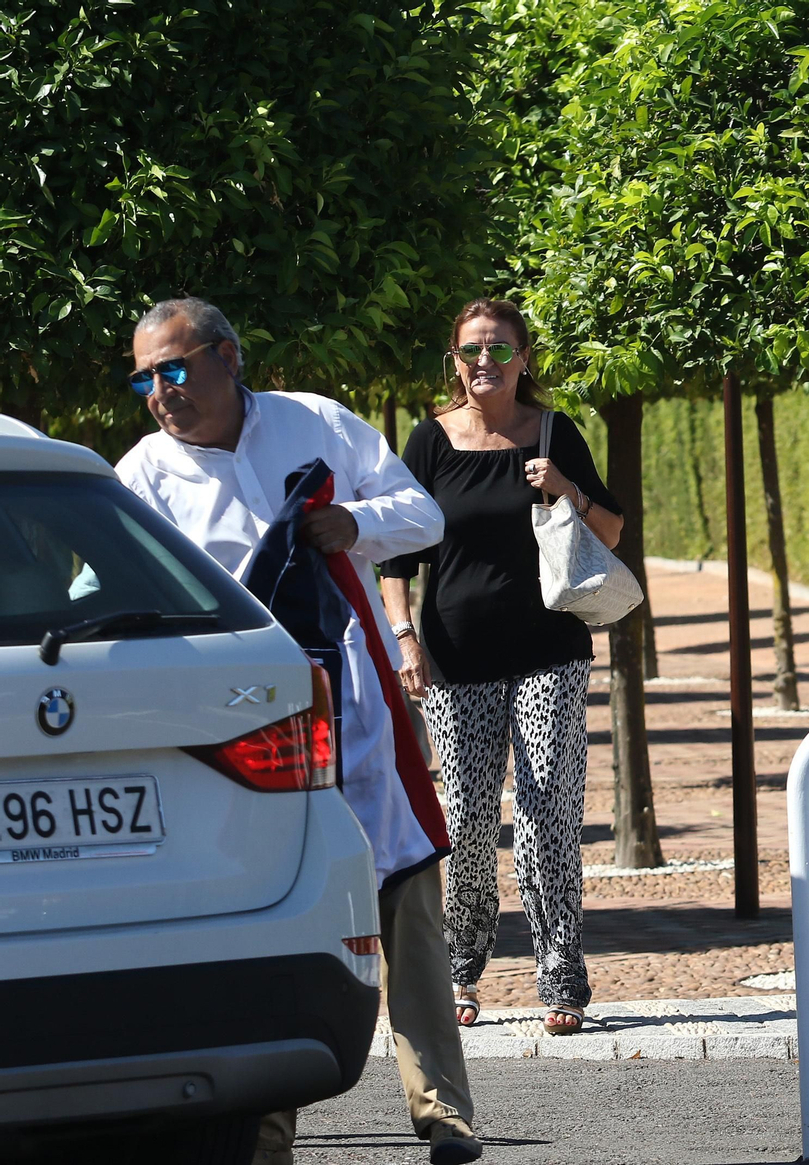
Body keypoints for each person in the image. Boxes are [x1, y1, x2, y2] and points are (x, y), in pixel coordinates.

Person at [114, 298, 481, 1165]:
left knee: (407, 908)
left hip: (355, 706)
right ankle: (268, 1130)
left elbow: (422, 515)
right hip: (239, 736)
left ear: (228, 357)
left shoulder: (315, 420)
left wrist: (355, 524)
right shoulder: (140, 477)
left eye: (173, 369)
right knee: (270, 924)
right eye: (144, 379)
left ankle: (443, 1109)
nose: (160, 393)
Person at [379, 299, 622, 1037]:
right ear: (453, 360)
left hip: (549, 652)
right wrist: (404, 635)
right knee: (471, 820)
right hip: (456, 657)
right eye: (471, 350)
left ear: (524, 358)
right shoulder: (427, 441)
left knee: (551, 809)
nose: (485, 361)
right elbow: (396, 554)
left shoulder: (552, 432)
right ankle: (462, 966)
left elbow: (611, 528)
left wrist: (566, 489)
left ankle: (562, 975)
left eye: (500, 349)